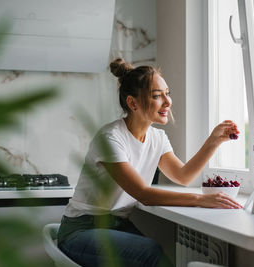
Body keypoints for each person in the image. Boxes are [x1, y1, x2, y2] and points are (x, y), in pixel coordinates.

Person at [57, 58, 242, 267]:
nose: (167, 101)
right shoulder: (110, 138)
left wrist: (213, 141)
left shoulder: (158, 138)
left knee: (154, 253)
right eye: (157, 96)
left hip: (116, 227)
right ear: (132, 103)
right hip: (82, 230)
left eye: (167, 93)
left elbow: (183, 176)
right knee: (150, 252)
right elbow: (143, 194)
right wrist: (200, 200)